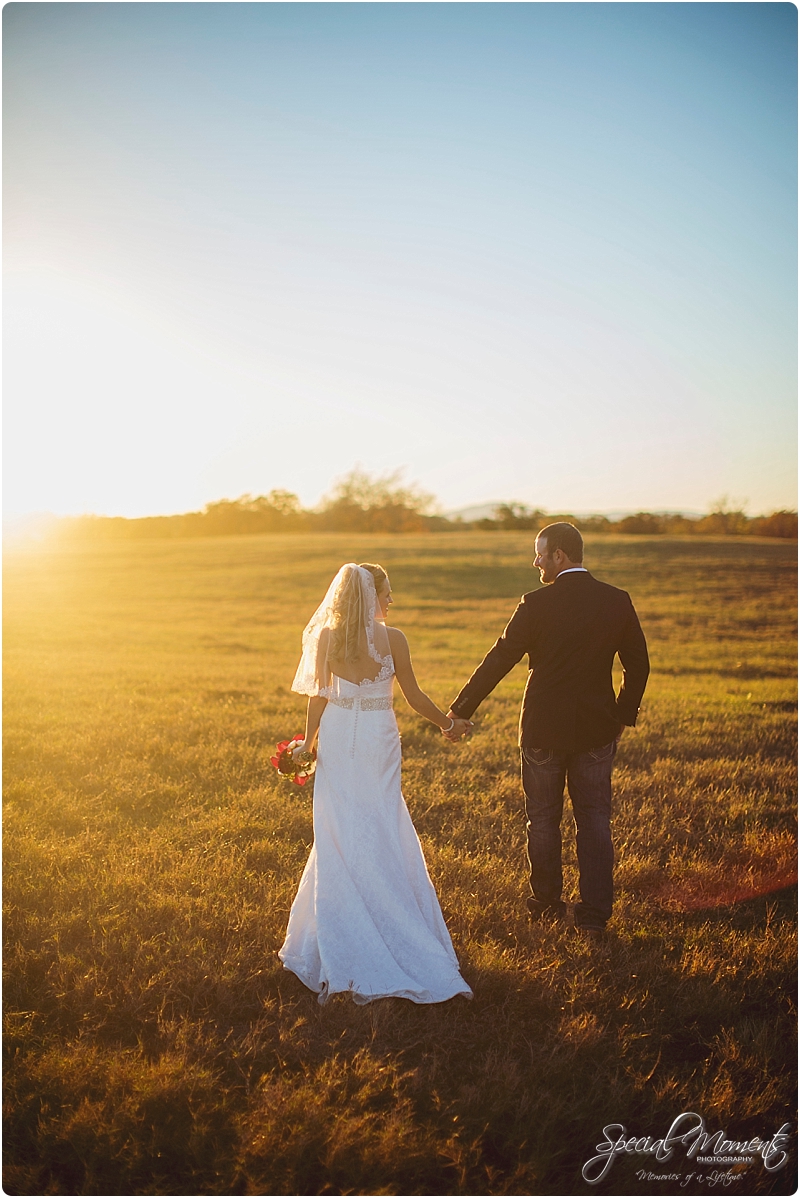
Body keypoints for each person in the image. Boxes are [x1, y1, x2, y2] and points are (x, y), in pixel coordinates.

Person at [278, 562, 473, 1004]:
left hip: (339, 736)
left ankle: (345, 926)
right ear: (369, 595)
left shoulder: (329, 638)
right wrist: (448, 724)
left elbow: (319, 697)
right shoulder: (394, 639)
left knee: (338, 829)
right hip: (377, 739)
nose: (391, 600)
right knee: (382, 822)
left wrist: (308, 744)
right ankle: (391, 917)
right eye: (386, 592)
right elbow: (414, 695)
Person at [447, 523, 649, 938]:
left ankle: (545, 907)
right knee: (594, 820)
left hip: (541, 729)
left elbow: (500, 658)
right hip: (597, 727)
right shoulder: (616, 600)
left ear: (559, 555)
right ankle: (593, 917)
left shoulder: (535, 603)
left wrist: (461, 709)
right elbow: (638, 664)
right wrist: (621, 715)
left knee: (542, 820)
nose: (535, 561)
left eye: (540, 554)